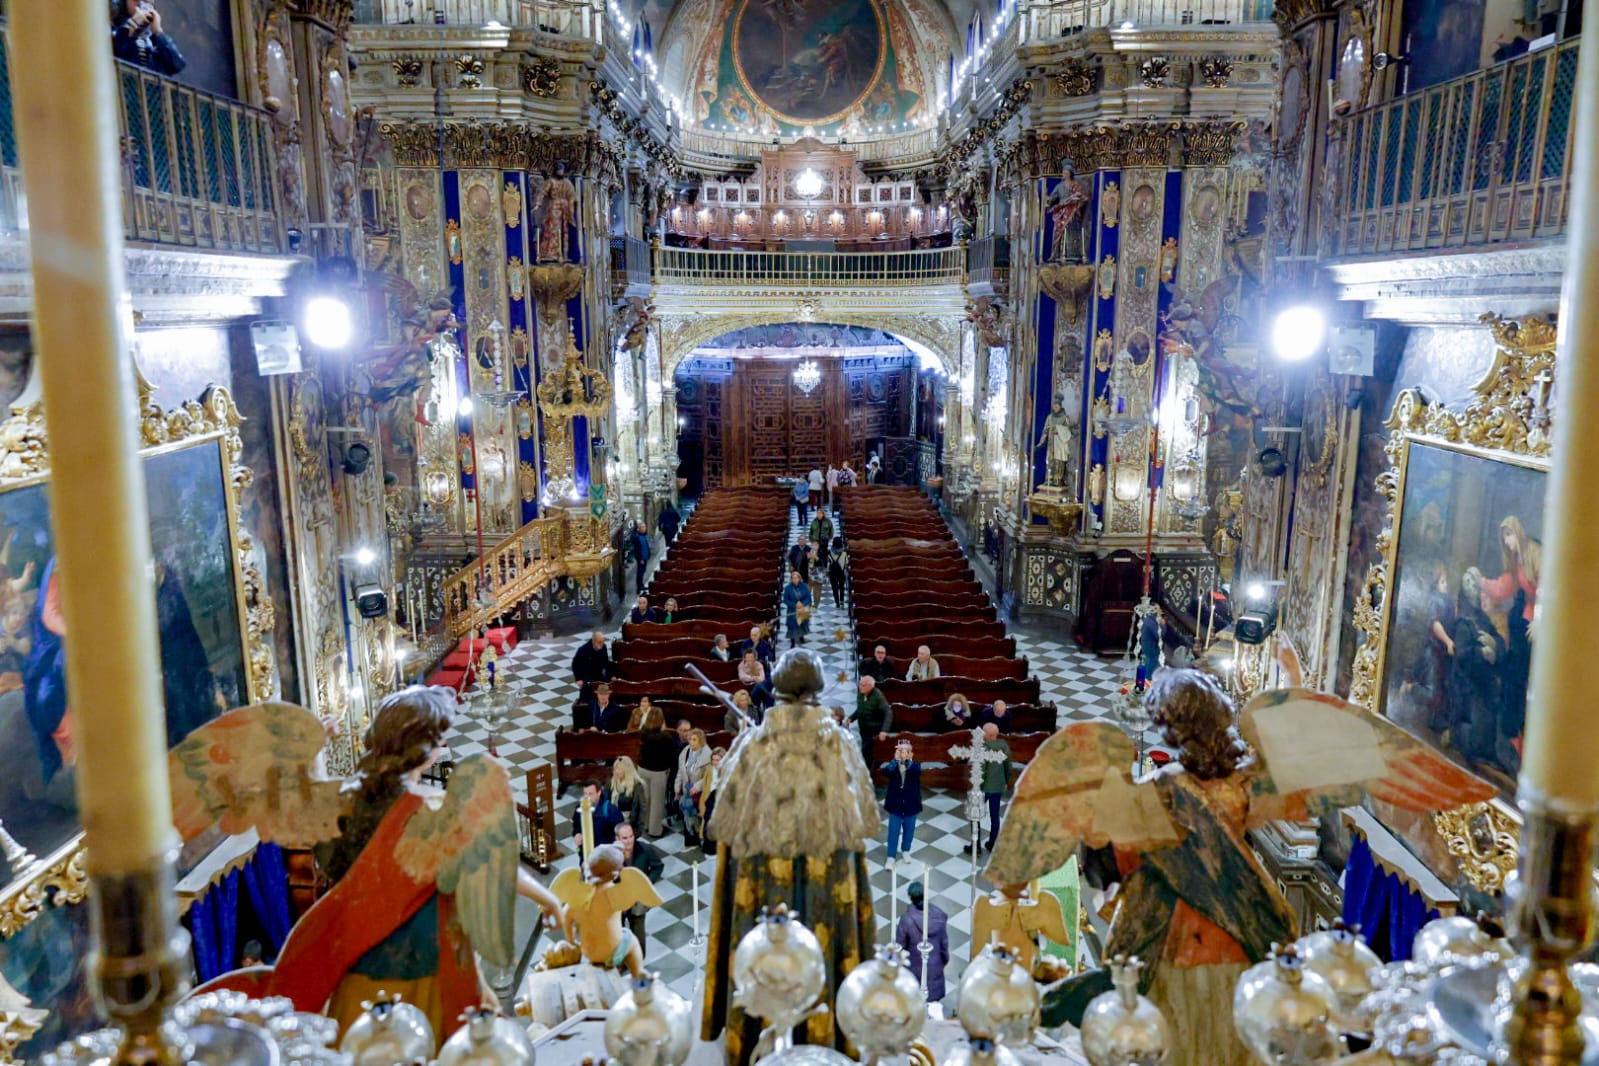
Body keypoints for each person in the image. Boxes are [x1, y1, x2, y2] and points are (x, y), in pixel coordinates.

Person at [702, 650, 879, 1064]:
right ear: (817, 691)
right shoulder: (840, 744)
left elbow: (723, 830)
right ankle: (827, 1041)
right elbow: (866, 823)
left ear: (777, 691)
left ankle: (756, 1040)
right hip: (827, 886)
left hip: (763, 891)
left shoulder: (753, 744)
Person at [614, 823, 664, 957]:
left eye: (631, 836)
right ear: (617, 838)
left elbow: (658, 866)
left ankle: (639, 958)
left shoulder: (644, 849)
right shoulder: (611, 854)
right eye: (625, 838)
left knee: (638, 930)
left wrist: (646, 883)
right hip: (619, 899)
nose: (629, 841)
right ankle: (621, 960)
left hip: (638, 898)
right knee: (618, 931)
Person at [895, 881, 950, 1004]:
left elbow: (899, 947)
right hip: (935, 967)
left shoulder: (906, 920)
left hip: (914, 969)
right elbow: (944, 945)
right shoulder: (939, 916)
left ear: (910, 897)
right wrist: (942, 962)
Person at [111, 0, 186, 76]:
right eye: (136, 0)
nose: (142, 5)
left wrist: (158, 31)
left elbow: (177, 65)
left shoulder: (156, 42)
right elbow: (116, 53)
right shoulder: (113, 31)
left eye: (147, 3)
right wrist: (131, 26)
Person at [636, 705, 675, 837]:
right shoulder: (665, 737)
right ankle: (655, 830)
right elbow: (671, 757)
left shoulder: (643, 732)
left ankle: (645, 824)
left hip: (642, 769)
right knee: (657, 803)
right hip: (658, 772)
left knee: (646, 799)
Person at [882, 739, 922, 863]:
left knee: (909, 831)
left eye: (905, 751)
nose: (902, 754)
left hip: (911, 806)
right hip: (895, 806)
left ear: (911, 753)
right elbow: (886, 772)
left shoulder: (915, 766)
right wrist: (895, 760)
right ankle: (891, 856)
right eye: (900, 751)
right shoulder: (893, 766)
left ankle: (906, 850)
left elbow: (915, 773)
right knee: (893, 832)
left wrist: (908, 761)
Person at [675, 728, 712, 847]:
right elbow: (680, 771)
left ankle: (697, 834)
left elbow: (708, 777)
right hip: (687, 788)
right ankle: (691, 838)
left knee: (695, 813)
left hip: (699, 791)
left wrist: (696, 787)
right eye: (690, 739)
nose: (691, 741)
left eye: (694, 739)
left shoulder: (707, 755)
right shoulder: (685, 752)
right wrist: (677, 788)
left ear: (701, 741)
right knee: (686, 809)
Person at [980, 723, 1011, 852]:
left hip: (984, 788)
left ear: (988, 735)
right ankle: (992, 843)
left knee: (975, 815)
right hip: (998, 786)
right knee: (995, 816)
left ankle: (975, 845)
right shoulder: (1003, 745)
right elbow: (1008, 766)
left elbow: (982, 770)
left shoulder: (983, 748)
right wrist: (1006, 781)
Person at [850, 675, 892, 769]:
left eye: (863, 685)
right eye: (860, 684)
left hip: (874, 731)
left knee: (865, 751)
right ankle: (870, 770)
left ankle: (870, 771)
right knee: (868, 755)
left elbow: (888, 713)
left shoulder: (878, 696)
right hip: (864, 730)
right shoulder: (861, 693)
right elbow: (860, 709)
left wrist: (884, 730)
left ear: (870, 686)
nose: (860, 687)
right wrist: (851, 718)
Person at [571, 778, 623, 851]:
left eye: (590, 794)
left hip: (604, 851)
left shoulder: (610, 810)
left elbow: (619, 833)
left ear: (599, 793)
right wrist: (577, 833)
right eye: (585, 793)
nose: (587, 797)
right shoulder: (580, 808)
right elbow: (576, 825)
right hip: (586, 850)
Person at [570, 630, 612, 709]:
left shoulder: (603, 647)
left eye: (603, 642)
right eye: (599, 642)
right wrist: (579, 679)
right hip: (587, 677)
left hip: (599, 675)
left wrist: (610, 675)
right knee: (586, 700)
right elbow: (575, 665)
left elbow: (606, 663)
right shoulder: (583, 650)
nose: (602, 644)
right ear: (593, 641)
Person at [699, 748, 727, 850]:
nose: (715, 763)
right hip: (709, 801)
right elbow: (704, 783)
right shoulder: (709, 770)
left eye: (717, 760)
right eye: (713, 760)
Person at [609, 756, 646, 834]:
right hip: (612, 822)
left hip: (628, 824)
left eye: (620, 769)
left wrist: (639, 830)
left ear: (627, 770)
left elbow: (642, 809)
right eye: (616, 768)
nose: (617, 771)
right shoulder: (612, 782)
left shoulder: (637, 786)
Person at [782, 569, 812, 647]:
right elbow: (785, 600)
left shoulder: (804, 586)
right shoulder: (788, 588)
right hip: (792, 610)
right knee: (792, 624)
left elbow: (808, 598)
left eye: (796, 578)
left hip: (802, 609)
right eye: (793, 578)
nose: (795, 580)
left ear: (799, 578)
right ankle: (792, 641)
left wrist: (802, 604)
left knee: (802, 623)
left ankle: (801, 637)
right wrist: (795, 605)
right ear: (791, 579)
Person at [826, 536, 849, 608]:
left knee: (834, 587)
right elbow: (846, 563)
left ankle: (837, 602)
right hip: (841, 572)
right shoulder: (844, 553)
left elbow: (828, 563)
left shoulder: (829, 552)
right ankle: (842, 600)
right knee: (841, 586)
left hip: (832, 572)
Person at [629, 520, 651, 591]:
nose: (644, 528)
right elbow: (637, 549)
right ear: (639, 528)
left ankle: (641, 584)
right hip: (641, 558)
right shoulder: (637, 537)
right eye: (642, 527)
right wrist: (640, 558)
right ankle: (639, 586)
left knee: (643, 571)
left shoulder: (643, 536)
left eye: (645, 527)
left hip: (645, 557)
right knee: (640, 572)